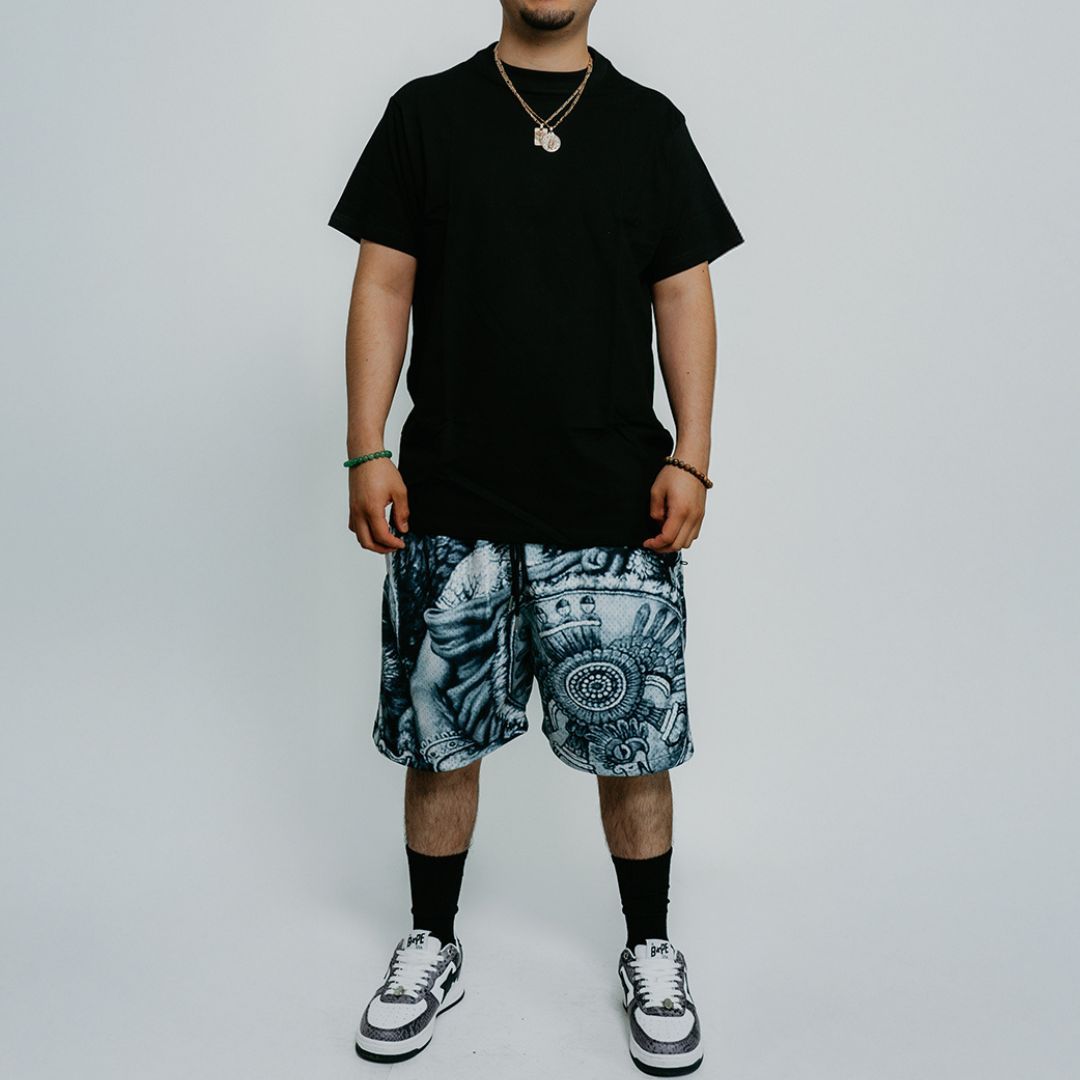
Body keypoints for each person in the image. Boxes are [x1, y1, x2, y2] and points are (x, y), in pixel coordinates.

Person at [327, 2, 743, 1073]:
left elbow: (683, 290)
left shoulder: (648, 125)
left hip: (612, 505)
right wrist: (366, 447)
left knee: (635, 744)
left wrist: (692, 454)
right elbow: (383, 278)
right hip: (451, 495)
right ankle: (432, 944)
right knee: (440, 741)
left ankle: (649, 949)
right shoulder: (425, 116)